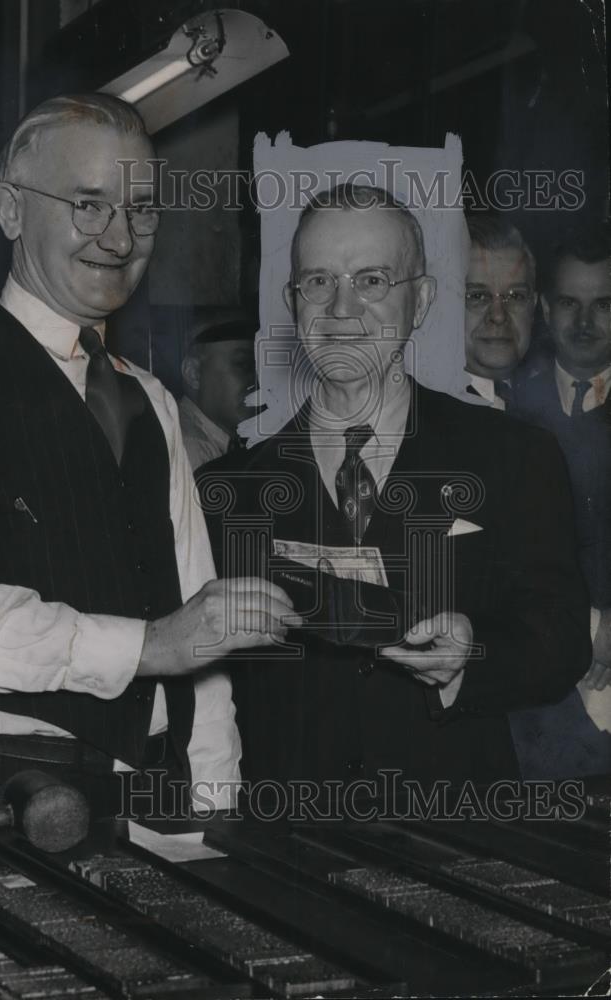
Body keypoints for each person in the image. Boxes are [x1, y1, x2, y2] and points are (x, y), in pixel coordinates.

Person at [0, 93, 296, 822]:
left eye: (141, 209)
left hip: (144, 800)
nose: (119, 238)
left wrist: (217, 806)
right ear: (9, 210)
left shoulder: (148, 398)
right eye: (87, 205)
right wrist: (147, 646)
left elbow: (200, 635)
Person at [199, 184, 590, 798]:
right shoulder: (225, 491)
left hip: (460, 836)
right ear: (291, 302)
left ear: (423, 301)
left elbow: (563, 642)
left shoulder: (512, 457)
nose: (342, 309)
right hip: (290, 850)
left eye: (372, 281)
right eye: (319, 282)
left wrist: (474, 654)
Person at [509, 230, 611, 776]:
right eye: (570, 303)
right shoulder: (506, 411)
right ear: (546, 310)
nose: (586, 323)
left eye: (604, 305)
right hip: (538, 711)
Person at [463, 213, 537, 410]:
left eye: (515, 296)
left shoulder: (554, 405)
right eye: (477, 296)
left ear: (533, 307)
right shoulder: (422, 413)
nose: (498, 315)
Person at [179, 318, 260, 470]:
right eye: (243, 364)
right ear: (193, 373)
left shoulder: (225, 442)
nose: (258, 380)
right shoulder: (189, 449)